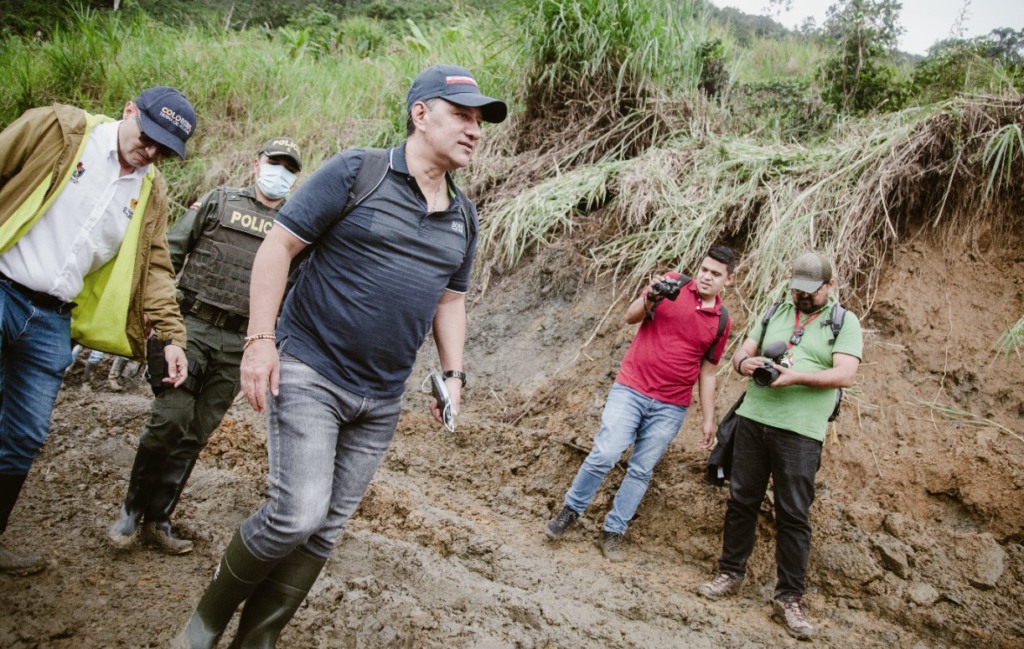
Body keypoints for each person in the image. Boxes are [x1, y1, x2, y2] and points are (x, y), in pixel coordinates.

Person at [171, 64, 507, 649]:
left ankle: (258, 640)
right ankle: (202, 627)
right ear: (420, 114)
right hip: (309, 369)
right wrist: (259, 340)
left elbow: (450, 301)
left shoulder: (463, 215)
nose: (474, 130)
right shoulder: (358, 172)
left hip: (380, 398)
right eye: (462, 115)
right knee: (296, 514)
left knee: (325, 530)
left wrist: (453, 374)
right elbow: (278, 247)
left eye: (480, 121)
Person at [0, 86, 195, 575]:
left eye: (163, 150)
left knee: (24, 435)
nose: (149, 152)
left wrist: (171, 336)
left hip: (52, 320)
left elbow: (154, 267)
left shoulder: (151, 191)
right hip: (3, 285)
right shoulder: (60, 129)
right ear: (129, 110)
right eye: (148, 136)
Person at [107, 137, 303, 555]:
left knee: (196, 433)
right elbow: (169, 254)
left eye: (289, 168)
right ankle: (130, 510)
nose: (280, 173)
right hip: (190, 326)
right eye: (275, 163)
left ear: (296, 177)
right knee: (170, 418)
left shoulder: (295, 227)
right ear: (256, 163)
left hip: (240, 343)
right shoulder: (219, 201)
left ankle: (159, 520)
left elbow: (298, 290)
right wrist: (150, 315)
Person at [698, 251, 863, 640]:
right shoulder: (775, 310)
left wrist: (796, 377)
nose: (802, 297)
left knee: (793, 514)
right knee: (742, 501)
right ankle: (730, 573)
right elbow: (741, 353)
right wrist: (745, 366)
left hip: (801, 432)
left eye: (810, 292)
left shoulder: (844, 322)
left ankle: (789, 597)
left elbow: (846, 374)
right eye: (797, 290)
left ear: (829, 287)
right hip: (754, 421)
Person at [545, 247, 735, 562]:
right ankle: (570, 511)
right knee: (605, 452)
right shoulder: (673, 283)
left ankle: (613, 531)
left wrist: (707, 418)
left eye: (715, 274)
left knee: (641, 469)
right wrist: (653, 297)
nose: (706, 276)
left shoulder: (721, 321)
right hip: (631, 388)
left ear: (728, 279)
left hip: (671, 405)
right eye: (704, 269)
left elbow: (709, 370)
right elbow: (630, 316)